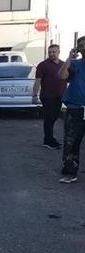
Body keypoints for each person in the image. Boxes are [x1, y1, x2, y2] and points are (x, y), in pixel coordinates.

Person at [58, 37, 85, 183]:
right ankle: (70, 171)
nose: (83, 48)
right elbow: (62, 76)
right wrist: (70, 57)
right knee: (71, 142)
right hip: (76, 108)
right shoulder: (74, 64)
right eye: (81, 46)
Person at [33, 45, 65, 149]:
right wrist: (34, 95)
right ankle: (48, 141)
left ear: (58, 52)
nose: (51, 54)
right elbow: (37, 81)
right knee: (49, 118)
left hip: (59, 96)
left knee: (54, 117)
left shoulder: (63, 64)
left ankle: (50, 138)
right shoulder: (43, 65)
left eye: (53, 52)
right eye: (49, 52)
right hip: (47, 96)